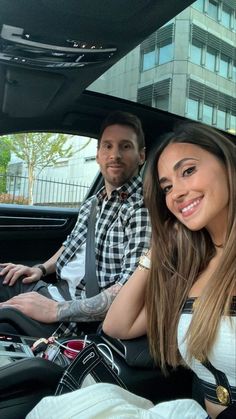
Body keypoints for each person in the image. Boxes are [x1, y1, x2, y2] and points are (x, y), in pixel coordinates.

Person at [27, 122, 235, 419]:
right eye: (167, 187)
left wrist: (58, 310)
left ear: (229, 164)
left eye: (188, 171)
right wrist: (157, 250)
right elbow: (118, 326)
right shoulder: (190, 266)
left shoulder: (137, 211)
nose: (176, 193)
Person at [0, 111, 151, 336]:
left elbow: (129, 292)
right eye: (107, 146)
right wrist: (39, 269)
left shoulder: (141, 209)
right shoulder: (93, 202)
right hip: (54, 291)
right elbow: (71, 245)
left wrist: (56, 310)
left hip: (74, 320)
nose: (115, 155)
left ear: (141, 156)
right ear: (98, 154)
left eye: (125, 146)